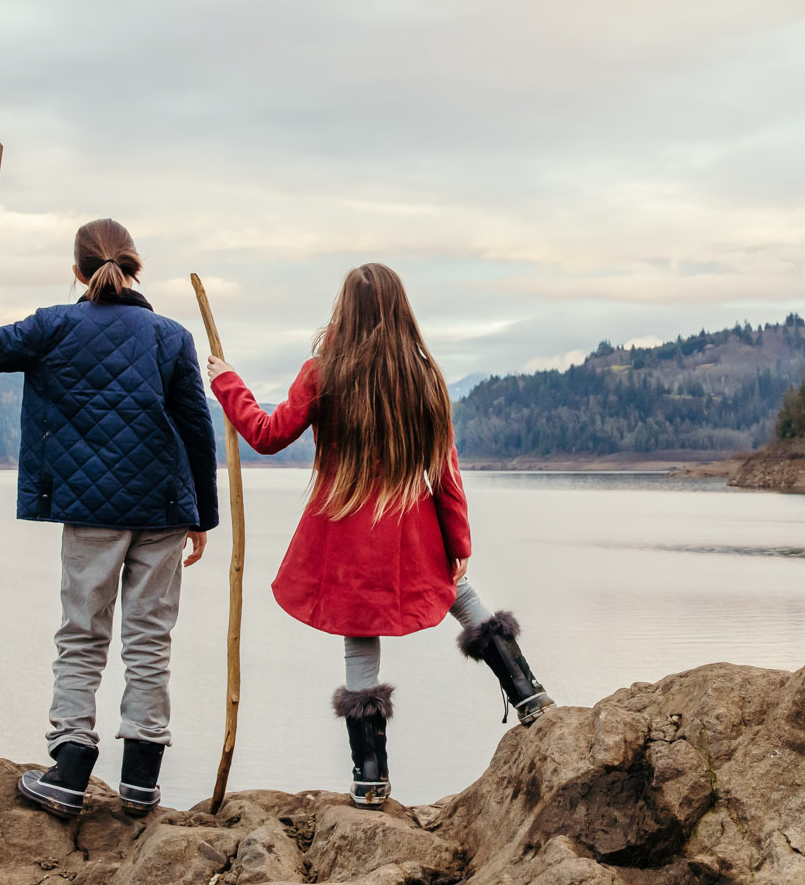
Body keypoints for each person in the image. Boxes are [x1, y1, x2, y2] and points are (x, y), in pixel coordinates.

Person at [206, 262, 553, 809]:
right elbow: (446, 474)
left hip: (344, 534)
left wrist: (227, 382)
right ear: (401, 310)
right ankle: (527, 692)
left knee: (358, 635)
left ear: (345, 310)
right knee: (457, 589)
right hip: (407, 527)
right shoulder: (424, 377)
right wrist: (458, 544)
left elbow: (267, 435)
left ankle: (370, 778)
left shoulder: (323, 373)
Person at [0, 218, 219, 820]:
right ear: (135, 266)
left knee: (82, 636)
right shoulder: (170, 336)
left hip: (91, 509)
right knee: (150, 640)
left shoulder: (53, 326)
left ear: (77, 271)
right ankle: (141, 786)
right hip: (164, 507)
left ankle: (69, 774)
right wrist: (202, 514)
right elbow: (197, 429)